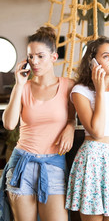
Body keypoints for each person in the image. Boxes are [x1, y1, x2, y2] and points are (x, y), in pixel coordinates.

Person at [0, 26, 75, 221]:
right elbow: (9, 123)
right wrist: (19, 84)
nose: (34, 61)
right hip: (21, 165)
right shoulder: (23, 87)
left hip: (53, 165)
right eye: (30, 56)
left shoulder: (69, 86)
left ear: (53, 57)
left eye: (40, 56)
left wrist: (70, 126)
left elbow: (73, 115)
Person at [65, 36, 109, 221]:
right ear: (93, 61)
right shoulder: (80, 91)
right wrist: (100, 88)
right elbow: (97, 131)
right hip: (92, 160)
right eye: (106, 56)